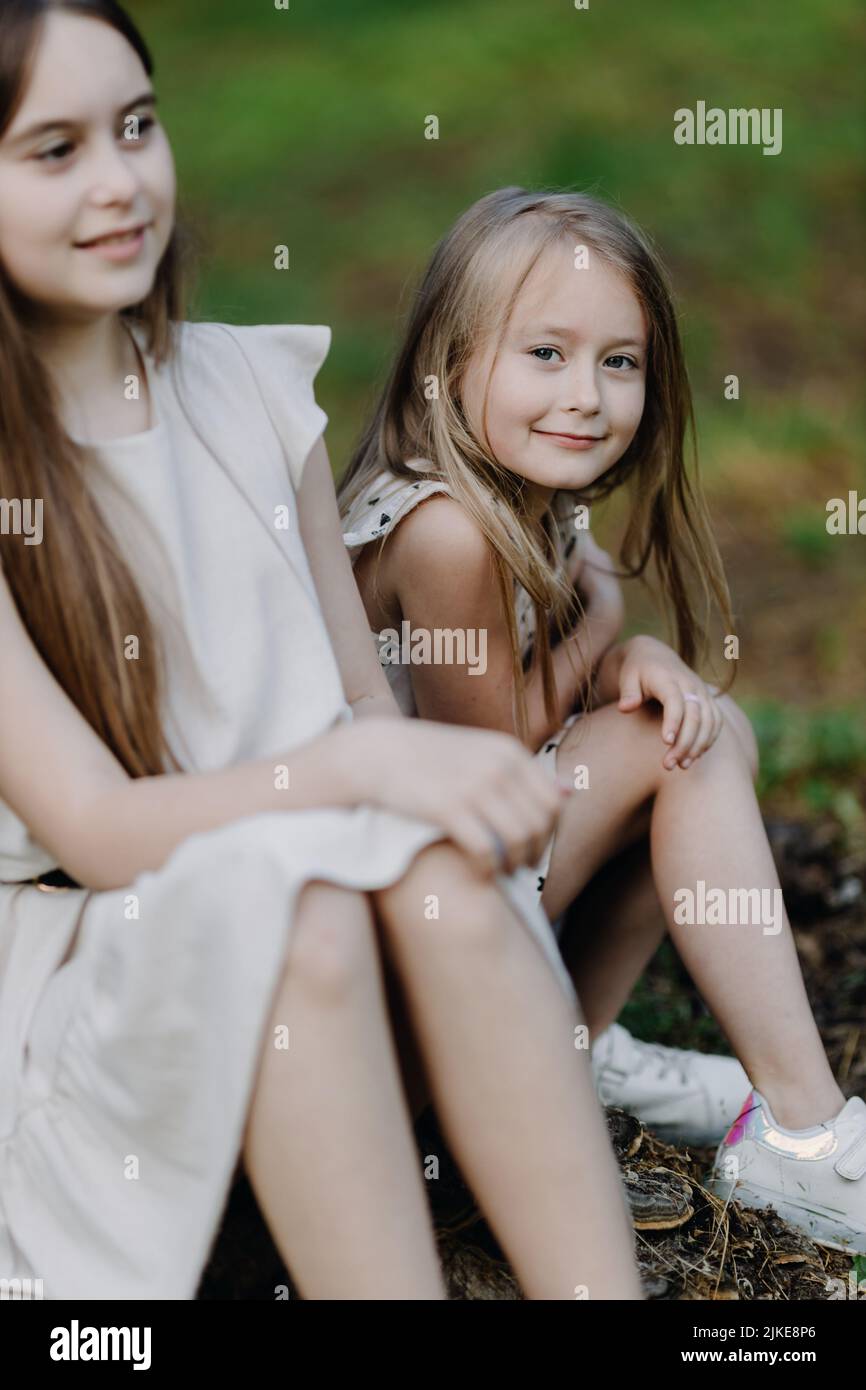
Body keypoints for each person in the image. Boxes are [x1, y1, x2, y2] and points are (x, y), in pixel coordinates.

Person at [0, 4, 645, 1300]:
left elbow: (361, 699)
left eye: (137, 125)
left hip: (323, 891)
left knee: (432, 875)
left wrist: (392, 771)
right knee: (305, 908)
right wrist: (371, 773)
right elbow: (102, 827)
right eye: (53, 150)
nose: (122, 181)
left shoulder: (247, 391)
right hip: (97, 954)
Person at [339, 185, 866, 1253]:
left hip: (448, 898)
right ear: (448, 369)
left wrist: (625, 653)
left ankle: (566, 1046)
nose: (585, 395)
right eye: (543, 354)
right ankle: (802, 1137)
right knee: (683, 738)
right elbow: (495, 779)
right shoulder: (443, 530)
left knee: (699, 728)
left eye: (616, 361)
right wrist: (610, 625)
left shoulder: (505, 495)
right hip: (399, 948)